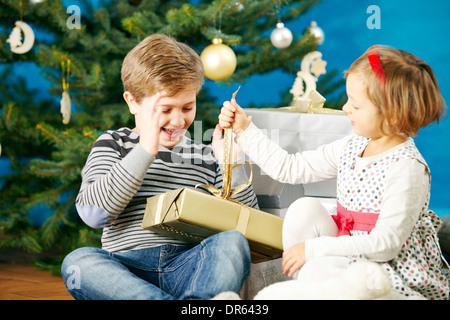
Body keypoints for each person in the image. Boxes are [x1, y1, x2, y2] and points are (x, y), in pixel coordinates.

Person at [219, 46, 449, 299]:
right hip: (346, 255)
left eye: (356, 105)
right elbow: (290, 168)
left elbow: (386, 245)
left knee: (360, 288)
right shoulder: (353, 146)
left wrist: (314, 249)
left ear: (391, 114)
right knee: (304, 208)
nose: (345, 108)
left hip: (388, 274)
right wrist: (243, 130)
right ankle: (308, 285)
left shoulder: (407, 168)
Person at [61, 34, 258, 300]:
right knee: (78, 263)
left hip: (189, 267)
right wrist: (145, 150)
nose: (178, 119)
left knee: (233, 242)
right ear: (132, 102)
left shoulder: (206, 155)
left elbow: (249, 228)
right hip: (127, 271)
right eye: (165, 109)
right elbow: (93, 214)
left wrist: (230, 163)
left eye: (188, 107)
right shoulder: (114, 143)